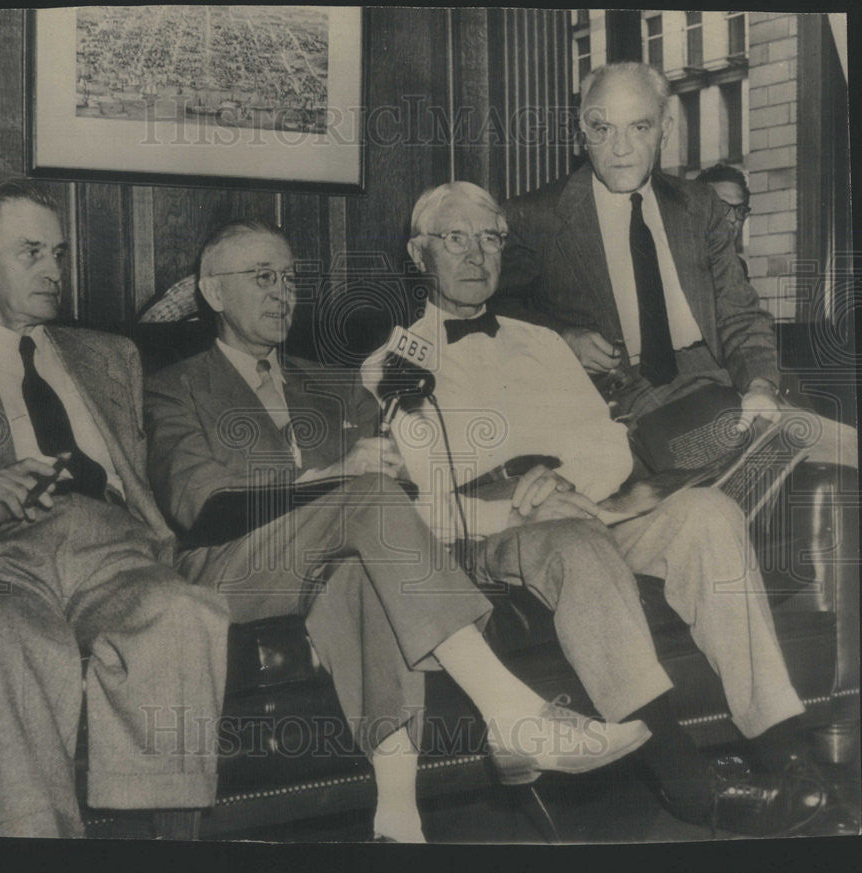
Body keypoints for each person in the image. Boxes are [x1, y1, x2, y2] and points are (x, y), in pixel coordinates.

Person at [143, 219, 650, 843]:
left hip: (338, 556)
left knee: (362, 569)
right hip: (229, 566)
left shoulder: (330, 381)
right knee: (367, 505)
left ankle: (397, 820)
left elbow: (400, 497)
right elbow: (201, 503)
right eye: (263, 278)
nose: (282, 293)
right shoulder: (173, 387)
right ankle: (510, 711)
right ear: (215, 293)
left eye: (291, 278)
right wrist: (332, 475)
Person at [384, 179, 825, 836]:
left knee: (707, 513)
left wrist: (560, 479)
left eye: (491, 237)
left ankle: (782, 744)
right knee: (577, 544)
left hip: (589, 509)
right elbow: (416, 504)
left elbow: (609, 444)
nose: (477, 254)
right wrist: (515, 498)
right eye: (456, 238)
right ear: (421, 253)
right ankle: (686, 781)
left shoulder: (545, 343)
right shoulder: (393, 366)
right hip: (499, 536)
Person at [0, 179, 230, 838]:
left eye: (58, 253)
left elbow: (154, 479)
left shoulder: (111, 355)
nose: (53, 271)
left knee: (184, 610)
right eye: (31, 252)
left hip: (112, 548)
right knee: (9, 634)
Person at [497, 62, 856, 471]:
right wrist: (563, 338)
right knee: (749, 473)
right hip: (634, 402)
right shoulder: (535, 216)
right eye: (603, 128)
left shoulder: (700, 207)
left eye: (640, 127)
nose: (620, 148)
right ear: (582, 130)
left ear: (666, 130)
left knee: (846, 454)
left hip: (725, 382)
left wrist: (759, 386)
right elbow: (492, 315)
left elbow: (739, 315)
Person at [695, 162, 752, 271]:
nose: (732, 219)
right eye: (722, 207)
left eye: (740, 210)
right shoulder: (674, 262)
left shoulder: (739, 267)